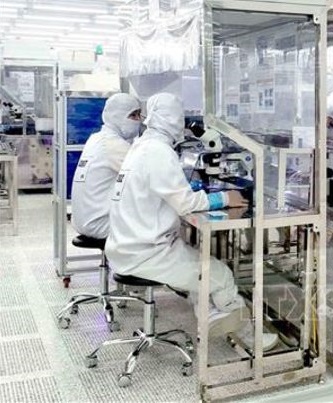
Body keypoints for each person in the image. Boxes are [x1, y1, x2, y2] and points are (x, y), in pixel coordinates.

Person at [106, 93, 278, 350]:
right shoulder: (158, 151)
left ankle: (212, 316)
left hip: (127, 246)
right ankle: (251, 338)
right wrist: (224, 197)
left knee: (200, 265)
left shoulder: (141, 146)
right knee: (221, 274)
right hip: (146, 254)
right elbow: (185, 203)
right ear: (174, 118)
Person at [71, 93, 141, 239]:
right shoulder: (113, 144)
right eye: (133, 115)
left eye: (139, 115)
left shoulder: (96, 138)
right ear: (117, 116)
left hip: (83, 220)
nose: (138, 120)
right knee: (158, 228)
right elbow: (143, 175)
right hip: (100, 224)